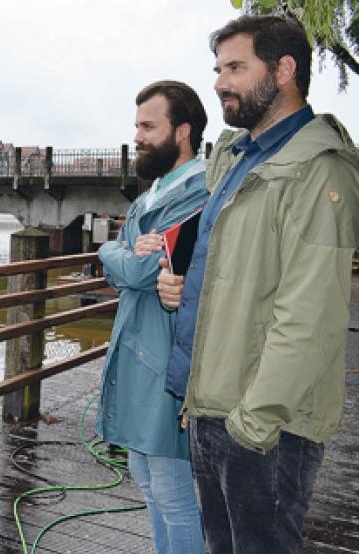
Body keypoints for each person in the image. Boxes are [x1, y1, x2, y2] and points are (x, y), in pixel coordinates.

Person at [156, 15, 359, 553]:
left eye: (237, 67)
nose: (220, 81)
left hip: (264, 426)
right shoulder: (237, 158)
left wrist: (253, 424)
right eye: (218, 68)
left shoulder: (319, 172)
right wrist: (182, 286)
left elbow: (309, 316)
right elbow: (229, 272)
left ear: (284, 70)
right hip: (210, 406)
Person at [95, 80, 208, 553]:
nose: (137, 136)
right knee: (145, 480)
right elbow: (130, 257)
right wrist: (115, 248)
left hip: (167, 360)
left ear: (181, 131)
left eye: (148, 126)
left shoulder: (199, 190)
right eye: (136, 126)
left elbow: (143, 267)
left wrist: (110, 250)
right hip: (139, 354)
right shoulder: (157, 190)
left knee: (173, 492)